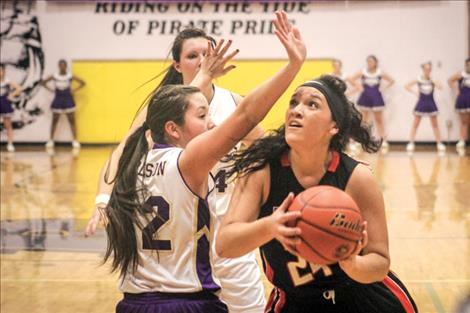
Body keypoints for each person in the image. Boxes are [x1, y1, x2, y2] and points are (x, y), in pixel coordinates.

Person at [103, 11, 306, 313]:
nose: (212, 124)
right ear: (171, 127)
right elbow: (248, 115)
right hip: (187, 261)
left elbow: (267, 150)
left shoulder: (148, 151)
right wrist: (293, 66)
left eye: (205, 53)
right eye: (192, 55)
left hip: (220, 243)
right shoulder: (183, 152)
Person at [216, 75, 418, 313]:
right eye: (294, 103)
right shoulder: (262, 172)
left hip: (362, 299)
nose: (297, 110)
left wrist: (352, 263)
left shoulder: (357, 177)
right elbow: (225, 244)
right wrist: (270, 226)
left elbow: (380, 262)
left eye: (312, 104)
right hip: (295, 302)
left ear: (334, 126)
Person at [350, 55, 395, 149]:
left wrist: (383, 88)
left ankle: (382, 139)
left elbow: (392, 80)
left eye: (371, 61)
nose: (369, 63)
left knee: (379, 119)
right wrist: (359, 87)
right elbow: (351, 79)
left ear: (375, 62)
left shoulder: (379, 72)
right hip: (365, 96)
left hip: (376, 97)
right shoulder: (363, 71)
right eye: (368, 61)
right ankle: (361, 140)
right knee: (364, 120)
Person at [42, 59, 85, 149]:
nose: (62, 67)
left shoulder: (70, 76)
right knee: (55, 120)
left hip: (68, 98)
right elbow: (43, 82)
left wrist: (74, 90)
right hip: (58, 98)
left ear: (66, 66)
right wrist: (51, 90)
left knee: (71, 120)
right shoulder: (55, 76)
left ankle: (75, 140)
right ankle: (51, 140)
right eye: (60, 65)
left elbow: (82, 83)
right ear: (58, 66)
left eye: (64, 65)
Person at [405, 62, 446, 152]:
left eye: (429, 69)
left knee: (435, 125)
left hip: (431, 103)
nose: (427, 70)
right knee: (415, 124)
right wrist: (415, 92)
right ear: (423, 69)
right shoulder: (418, 79)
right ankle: (411, 142)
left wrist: (434, 81)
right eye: (426, 69)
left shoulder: (433, 79)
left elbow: (441, 87)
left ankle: (439, 143)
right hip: (421, 103)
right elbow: (406, 86)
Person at [448, 58, 470, 150]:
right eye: (468, 65)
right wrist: (456, 90)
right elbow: (450, 80)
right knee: (464, 121)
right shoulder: (461, 74)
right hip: (464, 100)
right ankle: (462, 140)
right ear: (466, 65)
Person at [0, 64, 22, 152]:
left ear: (3, 71)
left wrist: (11, 95)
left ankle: (10, 143)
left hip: (4, 103)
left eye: (0, 71)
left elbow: (19, 88)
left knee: (7, 124)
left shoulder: (7, 81)